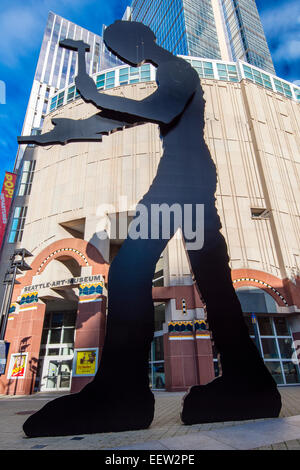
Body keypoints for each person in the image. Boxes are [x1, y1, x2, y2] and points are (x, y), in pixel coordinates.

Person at [21, 21, 281, 437]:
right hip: (188, 177)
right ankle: (248, 379)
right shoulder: (168, 74)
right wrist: (75, 129)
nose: (122, 58)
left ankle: (122, 392)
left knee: (129, 271)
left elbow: (161, 110)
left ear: (139, 41)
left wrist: (96, 95)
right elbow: (119, 119)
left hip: (184, 179)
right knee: (211, 279)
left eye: (121, 49)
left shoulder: (178, 70)